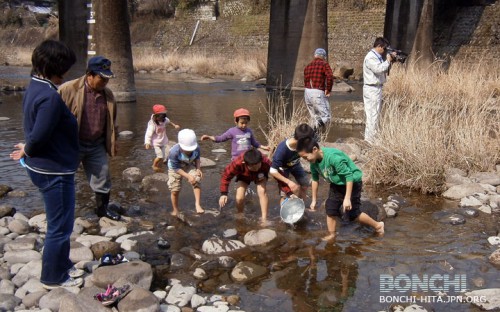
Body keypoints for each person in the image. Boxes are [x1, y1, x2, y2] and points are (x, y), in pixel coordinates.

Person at [9, 40, 84, 289]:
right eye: (66, 66)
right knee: (60, 227)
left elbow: (34, 127)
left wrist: (27, 147)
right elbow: (40, 134)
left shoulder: (35, 87)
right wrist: (29, 147)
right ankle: (52, 277)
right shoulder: (50, 97)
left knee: (59, 223)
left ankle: (62, 265)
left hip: (44, 167)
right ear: (57, 66)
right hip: (54, 171)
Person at [58, 55, 121, 221]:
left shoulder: (108, 95)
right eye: (102, 78)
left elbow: (112, 121)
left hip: (96, 144)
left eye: (107, 79)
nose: (105, 82)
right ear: (89, 75)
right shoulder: (68, 89)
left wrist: (114, 141)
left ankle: (102, 210)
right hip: (73, 143)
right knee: (64, 177)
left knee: (103, 176)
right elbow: (51, 116)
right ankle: (60, 212)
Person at [296, 137, 384, 241]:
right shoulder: (314, 163)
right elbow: (315, 180)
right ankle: (332, 234)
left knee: (353, 214)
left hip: (352, 182)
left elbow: (349, 176)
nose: (306, 160)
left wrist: (347, 198)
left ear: (315, 149)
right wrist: (314, 200)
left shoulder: (333, 157)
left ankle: (378, 225)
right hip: (336, 183)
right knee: (330, 208)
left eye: (306, 157)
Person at [219, 148, 290, 226]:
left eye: (257, 166)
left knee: (262, 192)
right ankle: (240, 213)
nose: (256, 169)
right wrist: (224, 193)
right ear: (245, 163)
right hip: (243, 176)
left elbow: (279, 177)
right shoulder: (238, 163)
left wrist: (288, 191)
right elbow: (226, 175)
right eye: (253, 167)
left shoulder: (266, 162)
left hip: (261, 176)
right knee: (239, 197)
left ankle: (264, 218)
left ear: (260, 161)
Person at [270, 123, 315, 203]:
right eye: (308, 142)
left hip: (296, 165)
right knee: (285, 194)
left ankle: (301, 208)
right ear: (301, 141)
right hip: (283, 169)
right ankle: (284, 210)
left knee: (304, 185)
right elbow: (273, 171)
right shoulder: (282, 149)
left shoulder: (301, 145)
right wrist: (288, 182)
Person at [201, 108, 269, 160]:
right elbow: (220, 138)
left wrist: (263, 147)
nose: (244, 125)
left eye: (246, 123)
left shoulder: (249, 131)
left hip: (247, 158)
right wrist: (209, 137)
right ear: (236, 121)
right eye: (242, 123)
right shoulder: (232, 131)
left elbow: (254, 143)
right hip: (236, 159)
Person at [362, 37, 395, 143]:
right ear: (379, 46)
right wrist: (388, 60)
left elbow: (382, 68)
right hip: (372, 88)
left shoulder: (376, 57)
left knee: (374, 115)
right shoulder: (371, 57)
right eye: (384, 48)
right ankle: (370, 141)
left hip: (375, 88)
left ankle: (371, 139)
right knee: (372, 115)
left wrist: (390, 62)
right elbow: (378, 69)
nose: (384, 51)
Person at [167, 129, 204, 215]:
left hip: (188, 164)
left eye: (191, 149)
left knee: (197, 179)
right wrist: (188, 176)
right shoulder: (174, 152)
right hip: (175, 168)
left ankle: (197, 204)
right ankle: (175, 209)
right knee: (175, 189)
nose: (189, 151)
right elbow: (176, 168)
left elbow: (197, 159)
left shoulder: (197, 147)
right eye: (187, 150)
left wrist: (198, 169)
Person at [303, 48, 334, 135]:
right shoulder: (324, 64)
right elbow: (330, 77)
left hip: (307, 92)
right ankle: (312, 129)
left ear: (315, 55)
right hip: (317, 92)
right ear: (324, 57)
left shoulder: (308, 66)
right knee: (326, 116)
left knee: (314, 117)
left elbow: (305, 80)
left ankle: (313, 136)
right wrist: (328, 89)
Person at [144, 104, 180, 172]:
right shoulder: (152, 124)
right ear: (156, 116)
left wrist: (174, 125)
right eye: (160, 116)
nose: (162, 118)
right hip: (156, 143)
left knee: (163, 157)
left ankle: (159, 167)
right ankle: (154, 166)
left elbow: (169, 122)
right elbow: (148, 134)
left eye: (163, 116)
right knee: (160, 156)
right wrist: (147, 142)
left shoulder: (164, 120)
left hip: (163, 141)